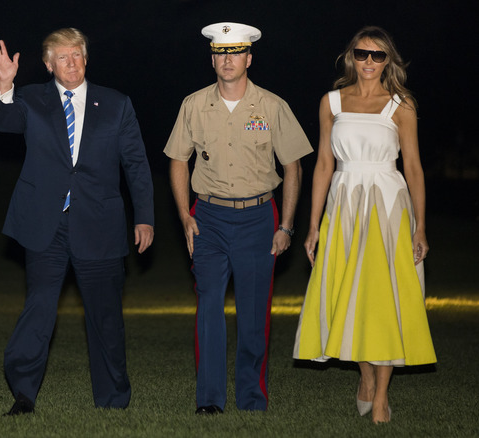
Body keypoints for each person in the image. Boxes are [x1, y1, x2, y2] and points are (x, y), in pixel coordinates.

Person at [0, 28, 155, 415]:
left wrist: (144, 217)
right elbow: (3, 121)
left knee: (105, 315)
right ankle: (24, 394)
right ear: (48, 65)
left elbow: (136, 164)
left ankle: (112, 399)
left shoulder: (116, 104)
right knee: (40, 307)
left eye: (77, 54)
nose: (72, 63)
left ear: (86, 58)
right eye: (62, 57)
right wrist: (5, 84)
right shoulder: (30, 98)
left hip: (99, 222)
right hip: (46, 223)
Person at [164, 22, 312, 414]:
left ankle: (251, 399)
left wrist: (286, 226)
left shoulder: (272, 106)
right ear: (212, 59)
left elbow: (293, 168)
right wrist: (184, 216)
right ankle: (210, 400)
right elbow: (178, 160)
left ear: (249, 58)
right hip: (208, 217)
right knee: (209, 303)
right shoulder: (193, 104)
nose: (227, 61)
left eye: (235, 53)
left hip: (258, 217)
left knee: (253, 312)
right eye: (220, 53)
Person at [292, 26, 436, 424]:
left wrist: (420, 227)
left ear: (389, 61)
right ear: (350, 56)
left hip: (389, 204)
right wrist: (314, 225)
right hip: (343, 203)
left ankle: (382, 396)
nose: (369, 62)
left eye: (378, 56)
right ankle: (366, 377)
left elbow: (414, 167)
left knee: (385, 295)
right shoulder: (332, 102)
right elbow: (322, 164)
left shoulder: (401, 104)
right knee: (349, 291)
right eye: (362, 54)